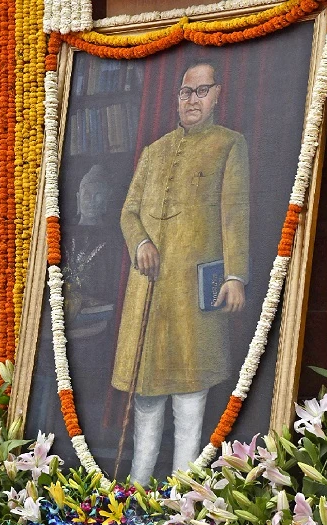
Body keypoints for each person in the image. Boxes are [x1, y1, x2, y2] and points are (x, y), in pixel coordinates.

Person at [112, 60, 249, 484]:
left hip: (194, 292)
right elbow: (129, 211)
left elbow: (235, 213)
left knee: (191, 394)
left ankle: (181, 492)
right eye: (186, 92)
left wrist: (235, 276)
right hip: (149, 294)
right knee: (148, 395)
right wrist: (141, 243)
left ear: (217, 95)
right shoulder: (154, 152)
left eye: (201, 91)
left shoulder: (229, 144)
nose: (192, 100)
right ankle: (136, 487)